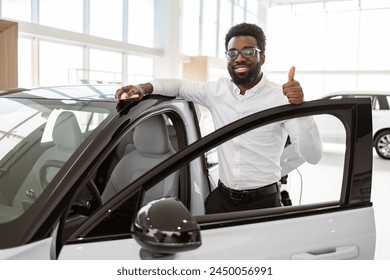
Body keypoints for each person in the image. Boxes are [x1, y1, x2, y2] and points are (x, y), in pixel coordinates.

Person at [115, 22, 323, 214]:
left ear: (263, 57)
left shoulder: (281, 97)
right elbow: (179, 86)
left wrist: (301, 108)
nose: (239, 58)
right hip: (221, 200)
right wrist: (143, 88)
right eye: (232, 53)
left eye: (248, 51)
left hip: (263, 203)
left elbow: (312, 155)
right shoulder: (217, 91)